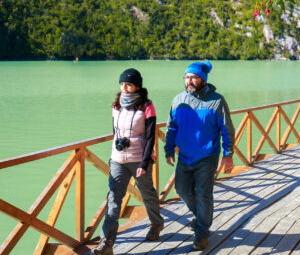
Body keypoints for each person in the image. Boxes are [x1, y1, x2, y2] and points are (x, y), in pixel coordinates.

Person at [91, 68, 164, 255]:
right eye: (122, 84)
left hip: (140, 159)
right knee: (113, 199)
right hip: (117, 159)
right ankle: (106, 244)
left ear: (137, 86)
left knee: (147, 193)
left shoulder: (147, 106)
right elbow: (116, 132)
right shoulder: (117, 105)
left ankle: (156, 224)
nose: (124, 87)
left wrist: (144, 163)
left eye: (128, 85)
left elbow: (150, 137)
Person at [164, 61, 235, 251]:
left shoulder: (217, 101)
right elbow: (171, 127)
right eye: (186, 77)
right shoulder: (178, 100)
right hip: (184, 156)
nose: (189, 81)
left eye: (194, 77)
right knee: (181, 190)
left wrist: (228, 154)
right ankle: (202, 218)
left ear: (203, 79)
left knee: (204, 195)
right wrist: (168, 149)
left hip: (207, 156)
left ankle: (201, 233)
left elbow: (227, 129)